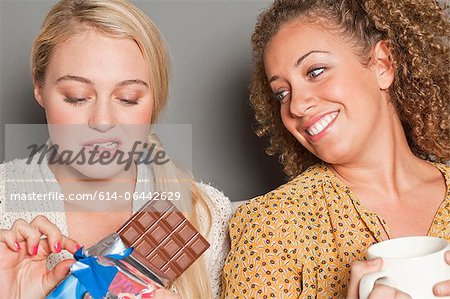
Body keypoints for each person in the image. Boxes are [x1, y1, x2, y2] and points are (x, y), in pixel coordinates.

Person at [0, 0, 233, 298]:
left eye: (127, 98)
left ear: (154, 100)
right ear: (39, 87)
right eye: (77, 96)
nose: (102, 121)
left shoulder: (205, 216)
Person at [222, 0, 449, 298]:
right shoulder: (273, 225)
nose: (297, 106)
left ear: (382, 65)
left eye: (315, 71)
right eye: (282, 93)